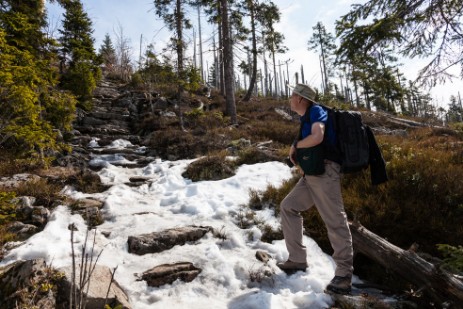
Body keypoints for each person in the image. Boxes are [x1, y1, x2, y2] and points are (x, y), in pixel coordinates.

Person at [277, 83, 354, 294]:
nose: (290, 98)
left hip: (325, 172)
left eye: (293, 95)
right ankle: (297, 259)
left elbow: (318, 136)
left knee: (335, 220)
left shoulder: (317, 111)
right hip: (312, 174)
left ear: (301, 99)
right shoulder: (306, 116)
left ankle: (344, 275)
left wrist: (297, 146)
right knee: (288, 207)